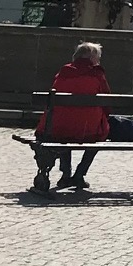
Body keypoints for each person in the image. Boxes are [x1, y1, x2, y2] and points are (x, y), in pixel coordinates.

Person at [36, 41, 110, 190]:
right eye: (98, 57)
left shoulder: (64, 72)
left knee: (65, 134)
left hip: (58, 127)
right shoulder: (96, 74)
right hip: (88, 130)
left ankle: (65, 175)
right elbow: (106, 99)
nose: (99, 61)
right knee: (99, 137)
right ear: (91, 57)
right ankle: (79, 174)